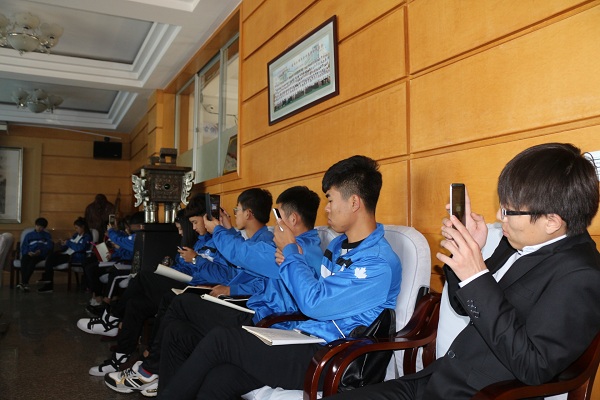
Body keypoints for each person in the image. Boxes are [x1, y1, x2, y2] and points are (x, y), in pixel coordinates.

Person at [328, 143, 600, 400]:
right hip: (437, 380)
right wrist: (469, 250)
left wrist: (477, 275)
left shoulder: (582, 275)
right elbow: (464, 305)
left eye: (508, 211)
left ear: (552, 222)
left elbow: (534, 366)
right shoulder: (519, 240)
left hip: (482, 394)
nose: (499, 216)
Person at [157, 155, 402, 399]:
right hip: (306, 337)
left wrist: (291, 254)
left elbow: (315, 303)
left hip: (332, 357)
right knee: (222, 377)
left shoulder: (378, 262)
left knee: (222, 340)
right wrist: (292, 259)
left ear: (354, 202)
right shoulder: (338, 246)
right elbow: (314, 294)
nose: (326, 208)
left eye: (330, 199)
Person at [105, 186, 323, 396]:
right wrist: (227, 236)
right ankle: (156, 377)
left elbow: (243, 256)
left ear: (293, 219)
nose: (275, 225)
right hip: (256, 311)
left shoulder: (296, 250)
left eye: (279, 216)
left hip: (264, 321)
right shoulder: (296, 247)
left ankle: (149, 370)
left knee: (181, 303)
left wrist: (218, 232)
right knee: (176, 330)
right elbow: (252, 266)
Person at [79, 196, 216, 376]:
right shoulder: (197, 241)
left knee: (143, 277)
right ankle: (119, 356)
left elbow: (215, 275)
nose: (184, 231)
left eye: (193, 223)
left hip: (191, 291)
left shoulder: (216, 243)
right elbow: (184, 267)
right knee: (135, 304)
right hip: (180, 285)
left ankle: (111, 319)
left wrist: (195, 260)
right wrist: (170, 269)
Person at [38, 217, 93, 293]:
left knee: (50, 260)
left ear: (83, 227)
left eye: (77, 228)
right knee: (50, 257)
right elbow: (69, 245)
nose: (76, 230)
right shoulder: (76, 235)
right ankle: (47, 281)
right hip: (67, 253)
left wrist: (68, 243)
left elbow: (80, 248)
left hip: (74, 256)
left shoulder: (87, 237)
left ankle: (48, 283)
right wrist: (63, 244)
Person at [16, 217, 54, 292]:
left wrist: (40, 251)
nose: (39, 228)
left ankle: (23, 283)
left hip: (40, 255)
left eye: (41, 227)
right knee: (24, 259)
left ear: (44, 228)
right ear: (35, 225)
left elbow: (49, 247)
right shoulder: (29, 235)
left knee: (32, 262)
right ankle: (25, 283)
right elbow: (24, 246)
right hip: (29, 253)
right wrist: (28, 252)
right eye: (38, 226)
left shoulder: (47, 235)